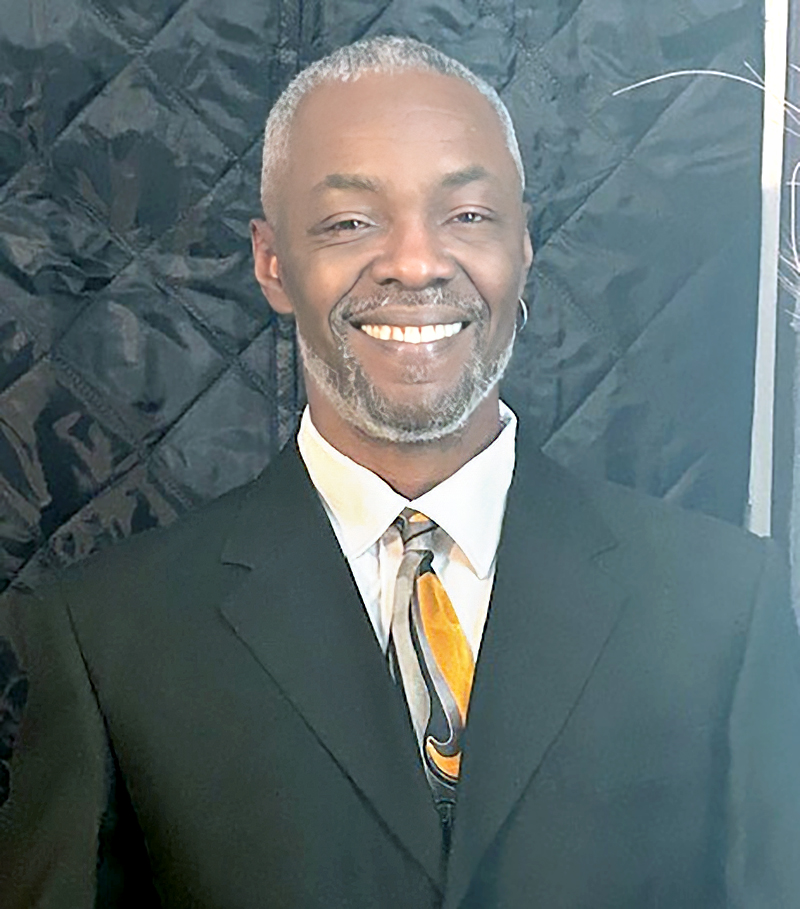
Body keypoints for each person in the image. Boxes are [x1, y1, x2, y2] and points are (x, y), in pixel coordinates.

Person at [2, 35, 800, 909]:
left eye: (468, 215)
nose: (416, 264)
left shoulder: (722, 607)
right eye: (351, 222)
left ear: (524, 245)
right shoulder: (108, 636)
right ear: (272, 262)